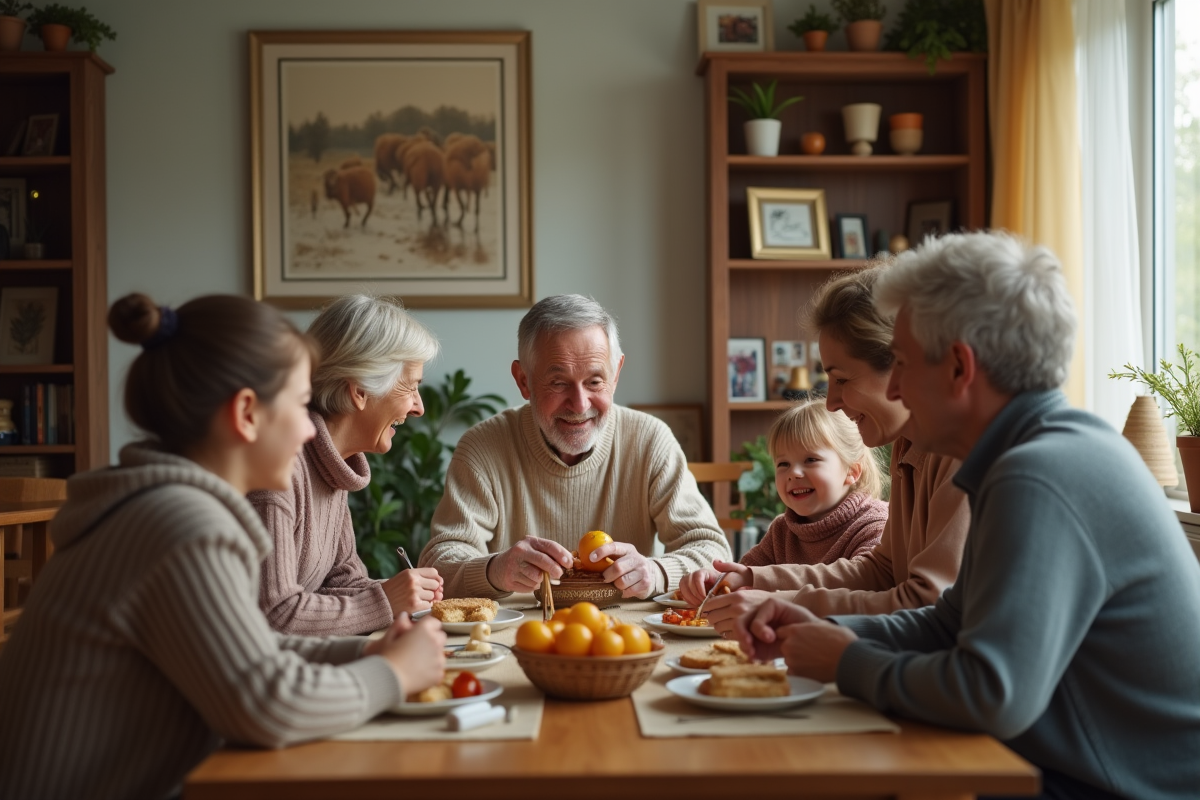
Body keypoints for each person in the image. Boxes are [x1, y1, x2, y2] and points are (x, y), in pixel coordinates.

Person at [737, 231, 1200, 800]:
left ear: (959, 367)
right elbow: (944, 623)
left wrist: (849, 661)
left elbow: (992, 694)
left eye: (902, 363)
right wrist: (828, 630)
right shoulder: (1033, 453)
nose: (898, 385)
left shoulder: (1040, 474)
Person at [0, 293, 446, 800]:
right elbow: (265, 702)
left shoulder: (169, 506)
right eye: (300, 405)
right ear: (247, 414)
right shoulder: (182, 525)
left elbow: (254, 649)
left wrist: (364, 649)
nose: (309, 429)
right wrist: (392, 672)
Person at [679, 267, 970, 630]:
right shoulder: (910, 444)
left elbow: (927, 604)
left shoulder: (959, 451)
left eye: (842, 379)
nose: (830, 402)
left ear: (901, 366)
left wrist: (778, 602)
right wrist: (755, 580)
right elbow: (882, 571)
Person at [419, 294, 732, 599]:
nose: (580, 405)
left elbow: (713, 553)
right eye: (558, 383)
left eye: (595, 381)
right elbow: (437, 565)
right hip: (519, 636)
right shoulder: (482, 448)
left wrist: (656, 572)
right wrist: (494, 570)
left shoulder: (650, 440)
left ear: (616, 374)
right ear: (523, 381)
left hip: (628, 639)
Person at [251, 295, 445, 635]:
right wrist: (386, 600)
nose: (419, 408)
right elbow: (274, 615)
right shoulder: (280, 469)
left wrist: (404, 593)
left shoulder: (332, 465)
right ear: (359, 391)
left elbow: (340, 581)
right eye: (411, 386)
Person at [679, 400, 887, 590]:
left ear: (852, 471)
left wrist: (754, 578)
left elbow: (861, 578)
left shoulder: (876, 524)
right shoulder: (782, 530)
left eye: (811, 460)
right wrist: (713, 579)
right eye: (783, 464)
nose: (793, 473)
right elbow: (742, 575)